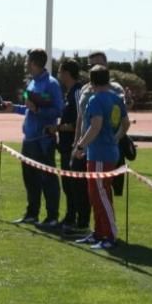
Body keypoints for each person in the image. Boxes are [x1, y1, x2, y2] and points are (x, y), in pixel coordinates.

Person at [2, 48, 64, 228]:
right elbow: (29, 108)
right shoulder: (32, 83)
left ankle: (52, 216)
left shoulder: (51, 84)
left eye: (27, 61)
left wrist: (38, 110)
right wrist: (13, 107)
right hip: (28, 140)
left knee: (48, 179)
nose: (25, 64)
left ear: (35, 63)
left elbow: (58, 111)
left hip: (43, 141)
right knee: (30, 179)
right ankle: (32, 214)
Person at [74, 66, 130, 250]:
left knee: (101, 195)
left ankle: (111, 235)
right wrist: (116, 138)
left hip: (100, 155)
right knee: (96, 195)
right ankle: (99, 232)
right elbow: (126, 123)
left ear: (91, 82)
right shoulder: (116, 98)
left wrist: (81, 145)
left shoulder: (95, 100)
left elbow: (95, 126)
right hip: (106, 152)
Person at [51, 59, 90, 234]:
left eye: (60, 72)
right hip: (65, 146)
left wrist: (57, 128)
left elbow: (78, 123)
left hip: (75, 148)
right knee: (68, 185)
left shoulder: (77, 92)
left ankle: (81, 222)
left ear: (67, 73)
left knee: (77, 186)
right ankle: (70, 217)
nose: (58, 75)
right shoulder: (69, 93)